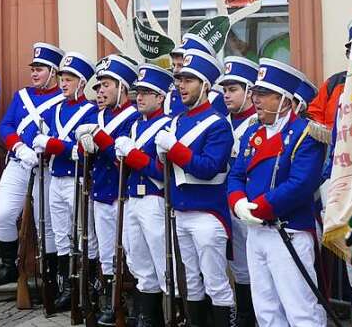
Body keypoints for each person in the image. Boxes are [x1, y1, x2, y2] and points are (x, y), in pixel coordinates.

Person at [228, 58, 326, 327]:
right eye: (255, 94)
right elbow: (236, 174)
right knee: (266, 310)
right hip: (256, 232)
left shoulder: (306, 134)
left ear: (283, 99)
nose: (256, 100)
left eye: (264, 95)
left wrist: (257, 208)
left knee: (300, 309)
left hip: (288, 231)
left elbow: (300, 185)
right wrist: (238, 203)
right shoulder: (253, 133)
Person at [155, 45, 235, 327]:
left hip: (207, 213)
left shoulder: (218, 125)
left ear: (205, 85)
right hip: (180, 210)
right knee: (189, 280)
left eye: (188, 80)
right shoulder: (176, 121)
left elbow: (207, 167)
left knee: (215, 282)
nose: (180, 86)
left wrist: (173, 148)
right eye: (179, 80)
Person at [0, 42, 65, 287]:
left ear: (53, 72)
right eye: (33, 68)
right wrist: (19, 148)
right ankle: (9, 266)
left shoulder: (63, 100)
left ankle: (51, 277)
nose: (34, 73)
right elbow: (5, 126)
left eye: (40, 69)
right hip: (18, 162)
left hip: (46, 169)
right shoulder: (22, 96)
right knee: (3, 214)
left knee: (47, 223)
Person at [74, 55, 140, 327]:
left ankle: (135, 306)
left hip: (125, 193)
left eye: (107, 85)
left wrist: (101, 140)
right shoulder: (96, 115)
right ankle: (112, 303)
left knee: (133, 252)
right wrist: (84, 146)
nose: (100, 90)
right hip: (100, 191)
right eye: (99, 85)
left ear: (122, 87)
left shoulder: (133, 116)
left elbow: (124, 158)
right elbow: (82, 154)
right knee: (105, 253)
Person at [112, 64, 173, 327]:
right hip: (132, 198)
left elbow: (163, 171)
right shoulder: (136, 125)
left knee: (163, 262)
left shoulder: (167, 126)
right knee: (138, 260)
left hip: (154, 198)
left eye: (147, 92)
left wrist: (133, 156)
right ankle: (148, 317)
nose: (140, 97)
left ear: (160, 97)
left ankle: (171, 315)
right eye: (138, 91)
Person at [43, 52, 98, 311]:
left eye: (70, 78)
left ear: (82, 82)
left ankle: (88, 286)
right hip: (56, 177)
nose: (64, 83)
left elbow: (84, 149)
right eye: (62, 78)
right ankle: (67, 286)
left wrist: (53, 145)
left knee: (84, 234)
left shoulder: (91, 111)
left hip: (78, 178)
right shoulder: (55, 109)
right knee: (61, 234)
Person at [218, 57, 260, 327]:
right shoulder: (222, 121)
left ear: (248, 91)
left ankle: (249, 315)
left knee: (250, 263)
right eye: (224, 90)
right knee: (234, 264)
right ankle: (241, 312)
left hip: (250, 202)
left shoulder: (256, 123)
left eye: (233, 89)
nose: (226, 95)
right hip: (224, 200)